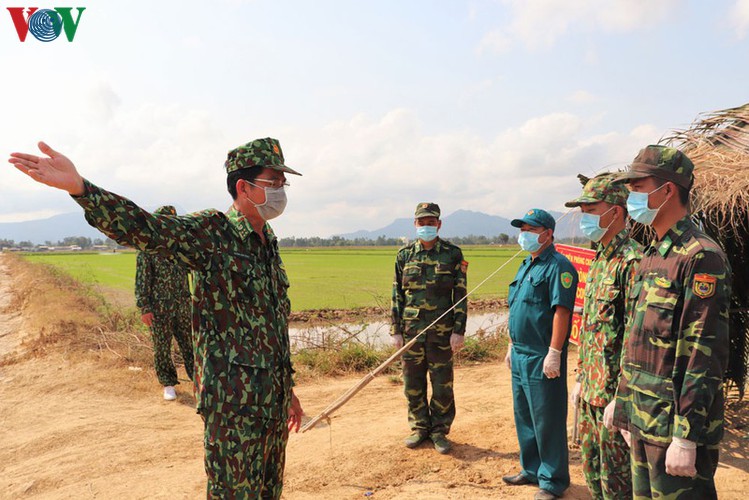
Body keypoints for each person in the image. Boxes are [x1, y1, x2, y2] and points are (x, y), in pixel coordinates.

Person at [9, 138, 304, 499]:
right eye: (273, 181)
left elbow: (272, 327)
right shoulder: (213, 233)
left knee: (269, 491)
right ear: (244, 186)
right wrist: (82, 189)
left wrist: (286, 390)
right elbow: (146, 228)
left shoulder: (267, 241)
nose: (280, 190)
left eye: (282, 183)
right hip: (233, 407)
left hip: (270, 401)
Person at [607, 145, 731, 499]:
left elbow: (702, 353)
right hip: (643, 420)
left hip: (674, 429)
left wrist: (686, 435)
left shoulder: (701, 257)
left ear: (668, 190)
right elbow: (637, 340)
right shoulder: (651, 257)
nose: (630, 196)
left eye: (637, 187)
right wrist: (624, 402)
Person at [564, 174, 641, 499]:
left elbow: (636, 338)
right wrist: (581, 377)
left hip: (613, 397)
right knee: (593, 475)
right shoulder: (599, 260)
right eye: (583, 210)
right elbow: (594, 329)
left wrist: (622, 397)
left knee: (617, 484)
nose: (585, 218)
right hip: (592, 393)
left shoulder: (632, 262)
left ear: (617, 212)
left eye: (592, 209)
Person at [503, 208, 577, 500]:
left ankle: (553, 480)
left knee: (547, 418)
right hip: (520, 352)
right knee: (524, 415)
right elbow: (517, 309)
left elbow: (562, 311)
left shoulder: (559, 266)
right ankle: (531, 469)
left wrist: (555, 352)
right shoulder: (526, 265)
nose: (525, 235)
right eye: (522, 230)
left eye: (531, 230)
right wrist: (510, 345)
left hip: (541, 353)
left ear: (547, 234)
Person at [391, 202, 467, 454]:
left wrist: (459, 330)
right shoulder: (404, 256)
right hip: (412, 332)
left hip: (442, 333)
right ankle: (420, 428)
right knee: (412, 383)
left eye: (431, 222)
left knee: (442, 384)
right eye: (421, 222)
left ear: (439, 224)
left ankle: (439, 431)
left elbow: (460, 295)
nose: (426, 226)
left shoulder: (453, 254)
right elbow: (397, 296)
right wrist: (396, 330)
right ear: (415, 224)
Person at [135, 205, 194, 401]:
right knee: (161, 347)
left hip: (183, 305)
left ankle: (200, 381)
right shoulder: (147, 249)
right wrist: (145, 308)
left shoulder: (181, 249)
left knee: (191, 345)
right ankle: (168, 384)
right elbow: (142, 280)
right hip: (159, 308)